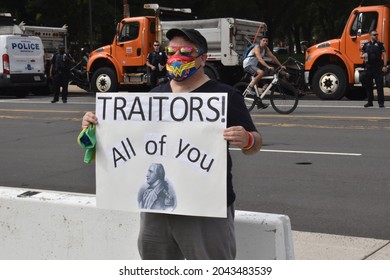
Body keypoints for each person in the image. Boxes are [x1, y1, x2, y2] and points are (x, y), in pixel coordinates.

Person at [81, 28, 262, 260]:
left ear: (203, 58)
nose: (177, 56)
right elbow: (128, 142)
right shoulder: (154, 96)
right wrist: (95, 128)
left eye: (186, 51)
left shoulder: (224, 96)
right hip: (156, 211)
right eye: (172, 51)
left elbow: (255, 144)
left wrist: (247, 139)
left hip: (206, 208)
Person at [243, 35, 286, 108]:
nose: (265, 42)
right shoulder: (257, 48)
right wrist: (268, 66)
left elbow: (273, 57)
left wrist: (281, 65)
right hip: (248, 64)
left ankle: (259, 102)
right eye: (264, 40)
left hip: (254, 66)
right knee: (261, 72)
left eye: (266, 41)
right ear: (260, 41)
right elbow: (260, 59)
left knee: (263, 75)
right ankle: (249, 88)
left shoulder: (266, 49)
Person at [361, 30, 387, 108]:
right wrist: (363, 56)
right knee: (369, 86)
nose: (376, 36)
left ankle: (381, 103)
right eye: (374, 35)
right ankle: (369, 101)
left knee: (379, 85)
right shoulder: (366, 45)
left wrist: (385, 66)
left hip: (378, 67)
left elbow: (384, 55)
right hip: (369, 67)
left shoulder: (380, 44)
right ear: (370, 35)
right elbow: (361, 54)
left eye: (377, 35)